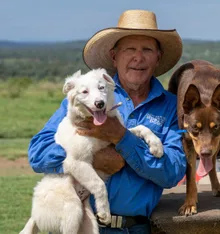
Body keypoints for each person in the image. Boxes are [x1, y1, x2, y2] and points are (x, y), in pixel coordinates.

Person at [28, 9, 187, 234]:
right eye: (130, 49)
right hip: (84, 224)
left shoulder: (170, 106)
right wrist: (92, 159)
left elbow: (173, 170)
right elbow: (37, 153)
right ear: (114, 56)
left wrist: (122, 139)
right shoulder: (88, 97)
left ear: (158, 57)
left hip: (137, 228)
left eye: (147, 50)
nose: (138, 58)